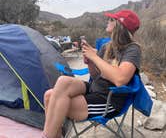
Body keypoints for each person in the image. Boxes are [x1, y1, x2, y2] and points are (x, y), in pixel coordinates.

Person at [42, 9, 141, 138]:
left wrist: (94, 57)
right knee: (55, 89)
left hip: (108, 99)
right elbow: (95, 76)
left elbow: (120, 79)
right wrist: (90, 62)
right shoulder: (107, 47)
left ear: (120, 26)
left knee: (53, 100)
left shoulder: (132, 49)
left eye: (111, 20)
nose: (107, 21)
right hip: (94, 88)